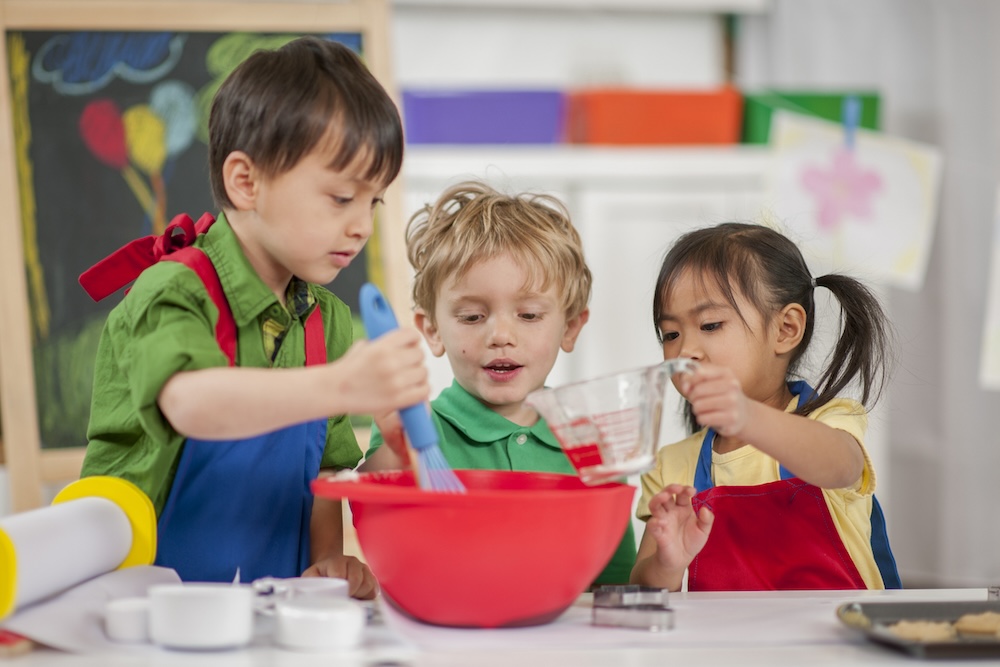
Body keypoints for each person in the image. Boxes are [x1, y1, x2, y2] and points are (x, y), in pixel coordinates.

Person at [78, 37, 429, 598]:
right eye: (342, 198)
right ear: (247, 182)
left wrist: (328, 566)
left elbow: (323, 480)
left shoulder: (327, 322)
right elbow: (192, 403)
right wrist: (340, 385)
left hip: (267, 612)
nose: (362, 225)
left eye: (374, 203)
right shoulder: (173, 290)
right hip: (139, 611)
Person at [362, 181, 637, 585]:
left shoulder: (591, 448)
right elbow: (375, 521)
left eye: (528, 315)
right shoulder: (416, 429)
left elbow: (614, 585)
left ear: (571, 326)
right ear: (433, 330)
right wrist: (396, 450)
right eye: (472, 317)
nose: (501, 335)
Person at [631, 222, 900, 592]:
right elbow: (644, 588)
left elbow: (841, 465)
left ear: (786, 329)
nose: (685, 350)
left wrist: (746, 416)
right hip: (725, 648)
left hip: (838, 643)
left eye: (710, 325)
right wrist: (667, 563)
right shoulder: (672, 466)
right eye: (671, 334)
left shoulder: (830, 421)